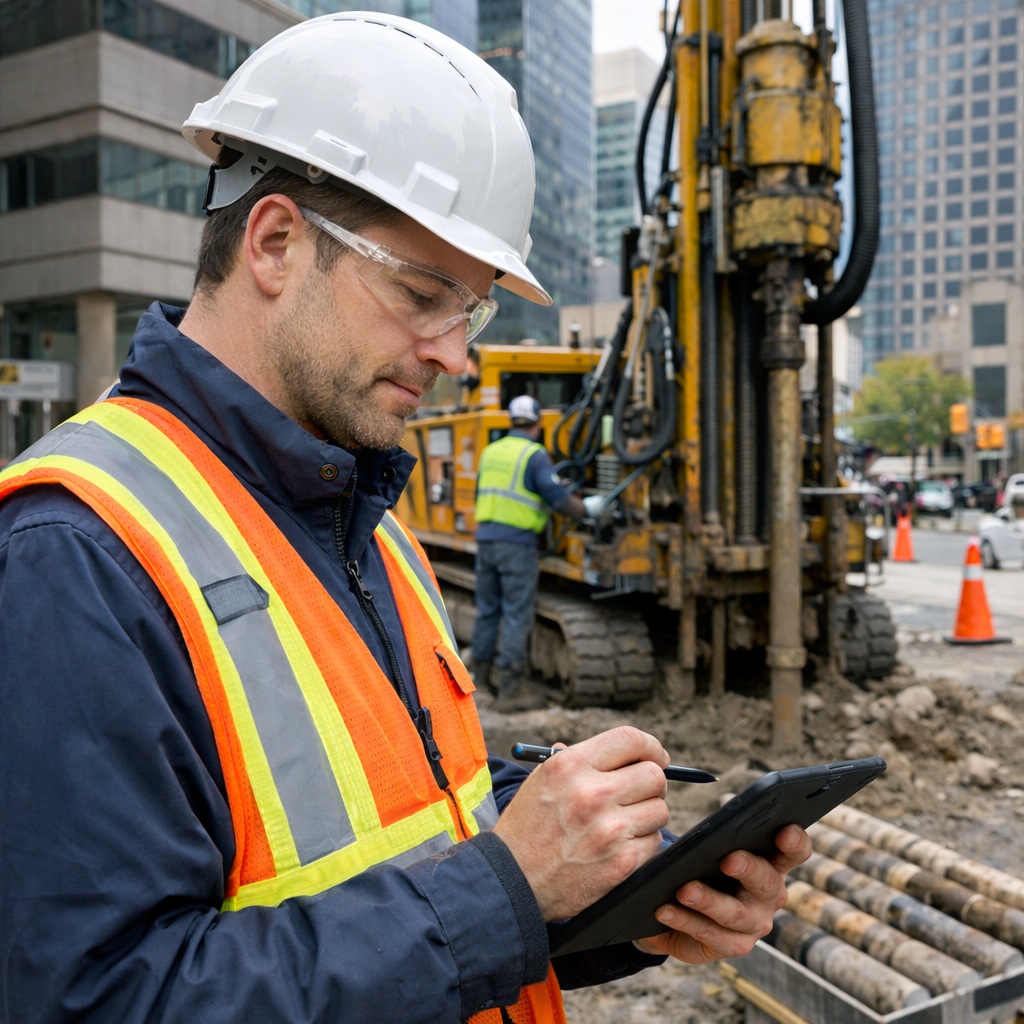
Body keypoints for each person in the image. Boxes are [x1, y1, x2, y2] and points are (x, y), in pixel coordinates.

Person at [0, 14, 810, 1024]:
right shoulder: (75, 554)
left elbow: (409, 843)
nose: (453, 354)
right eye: (424, 294)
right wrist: (505, 888)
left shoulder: (366, 523)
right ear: (277, 242)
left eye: (468, 312)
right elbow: (96, 1000)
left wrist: (611, 897)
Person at [470, 395, 606, 711]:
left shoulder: (491, 451)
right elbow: (556, 497)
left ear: (511, 421)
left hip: (486, 540)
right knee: (517, 613)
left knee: (488, 610)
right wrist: (585, 509)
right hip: (517, 545)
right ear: (537, 423)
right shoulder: (534, 454)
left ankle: (481, 679)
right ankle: (510, 691)